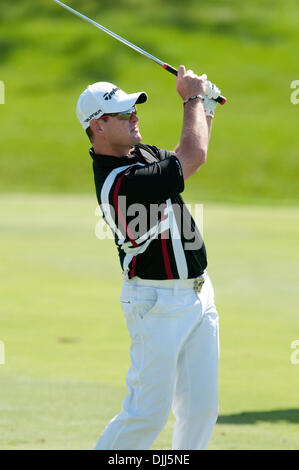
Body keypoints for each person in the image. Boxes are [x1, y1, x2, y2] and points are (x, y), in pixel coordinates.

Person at [76, 66, 221, 450]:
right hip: (158, 304)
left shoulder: (140, 155)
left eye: (133, 108)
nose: (135, 115)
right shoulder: (120, 184)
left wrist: (206, 108)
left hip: (198, 295)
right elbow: (194, 156)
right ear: (98, 126)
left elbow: (183, 158)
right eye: (124, 113)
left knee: (201, 409)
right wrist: (191, 99)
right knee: (146, 414)